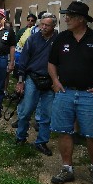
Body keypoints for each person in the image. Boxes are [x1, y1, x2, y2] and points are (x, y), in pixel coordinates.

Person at [48, 1, 93, 184]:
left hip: (89, 95)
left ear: (81, 19)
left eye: (70, 15)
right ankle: (67, 169)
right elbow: (52, 63)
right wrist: (55, 81)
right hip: (65, 92)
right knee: (64, 131)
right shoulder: (61, 39)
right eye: (66, 15)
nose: (66, 18)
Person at [15, 12, 58, 156]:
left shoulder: (58, 41)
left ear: (54, 26)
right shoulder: (32, 39)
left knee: (47, 114)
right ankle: (21, 137)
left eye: (47, 25)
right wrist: (21, 81)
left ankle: (41, 142)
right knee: (26, 111)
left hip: (50, 82)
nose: (44, 27)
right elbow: (23, 61)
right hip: (32, 79)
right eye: (42, 24)